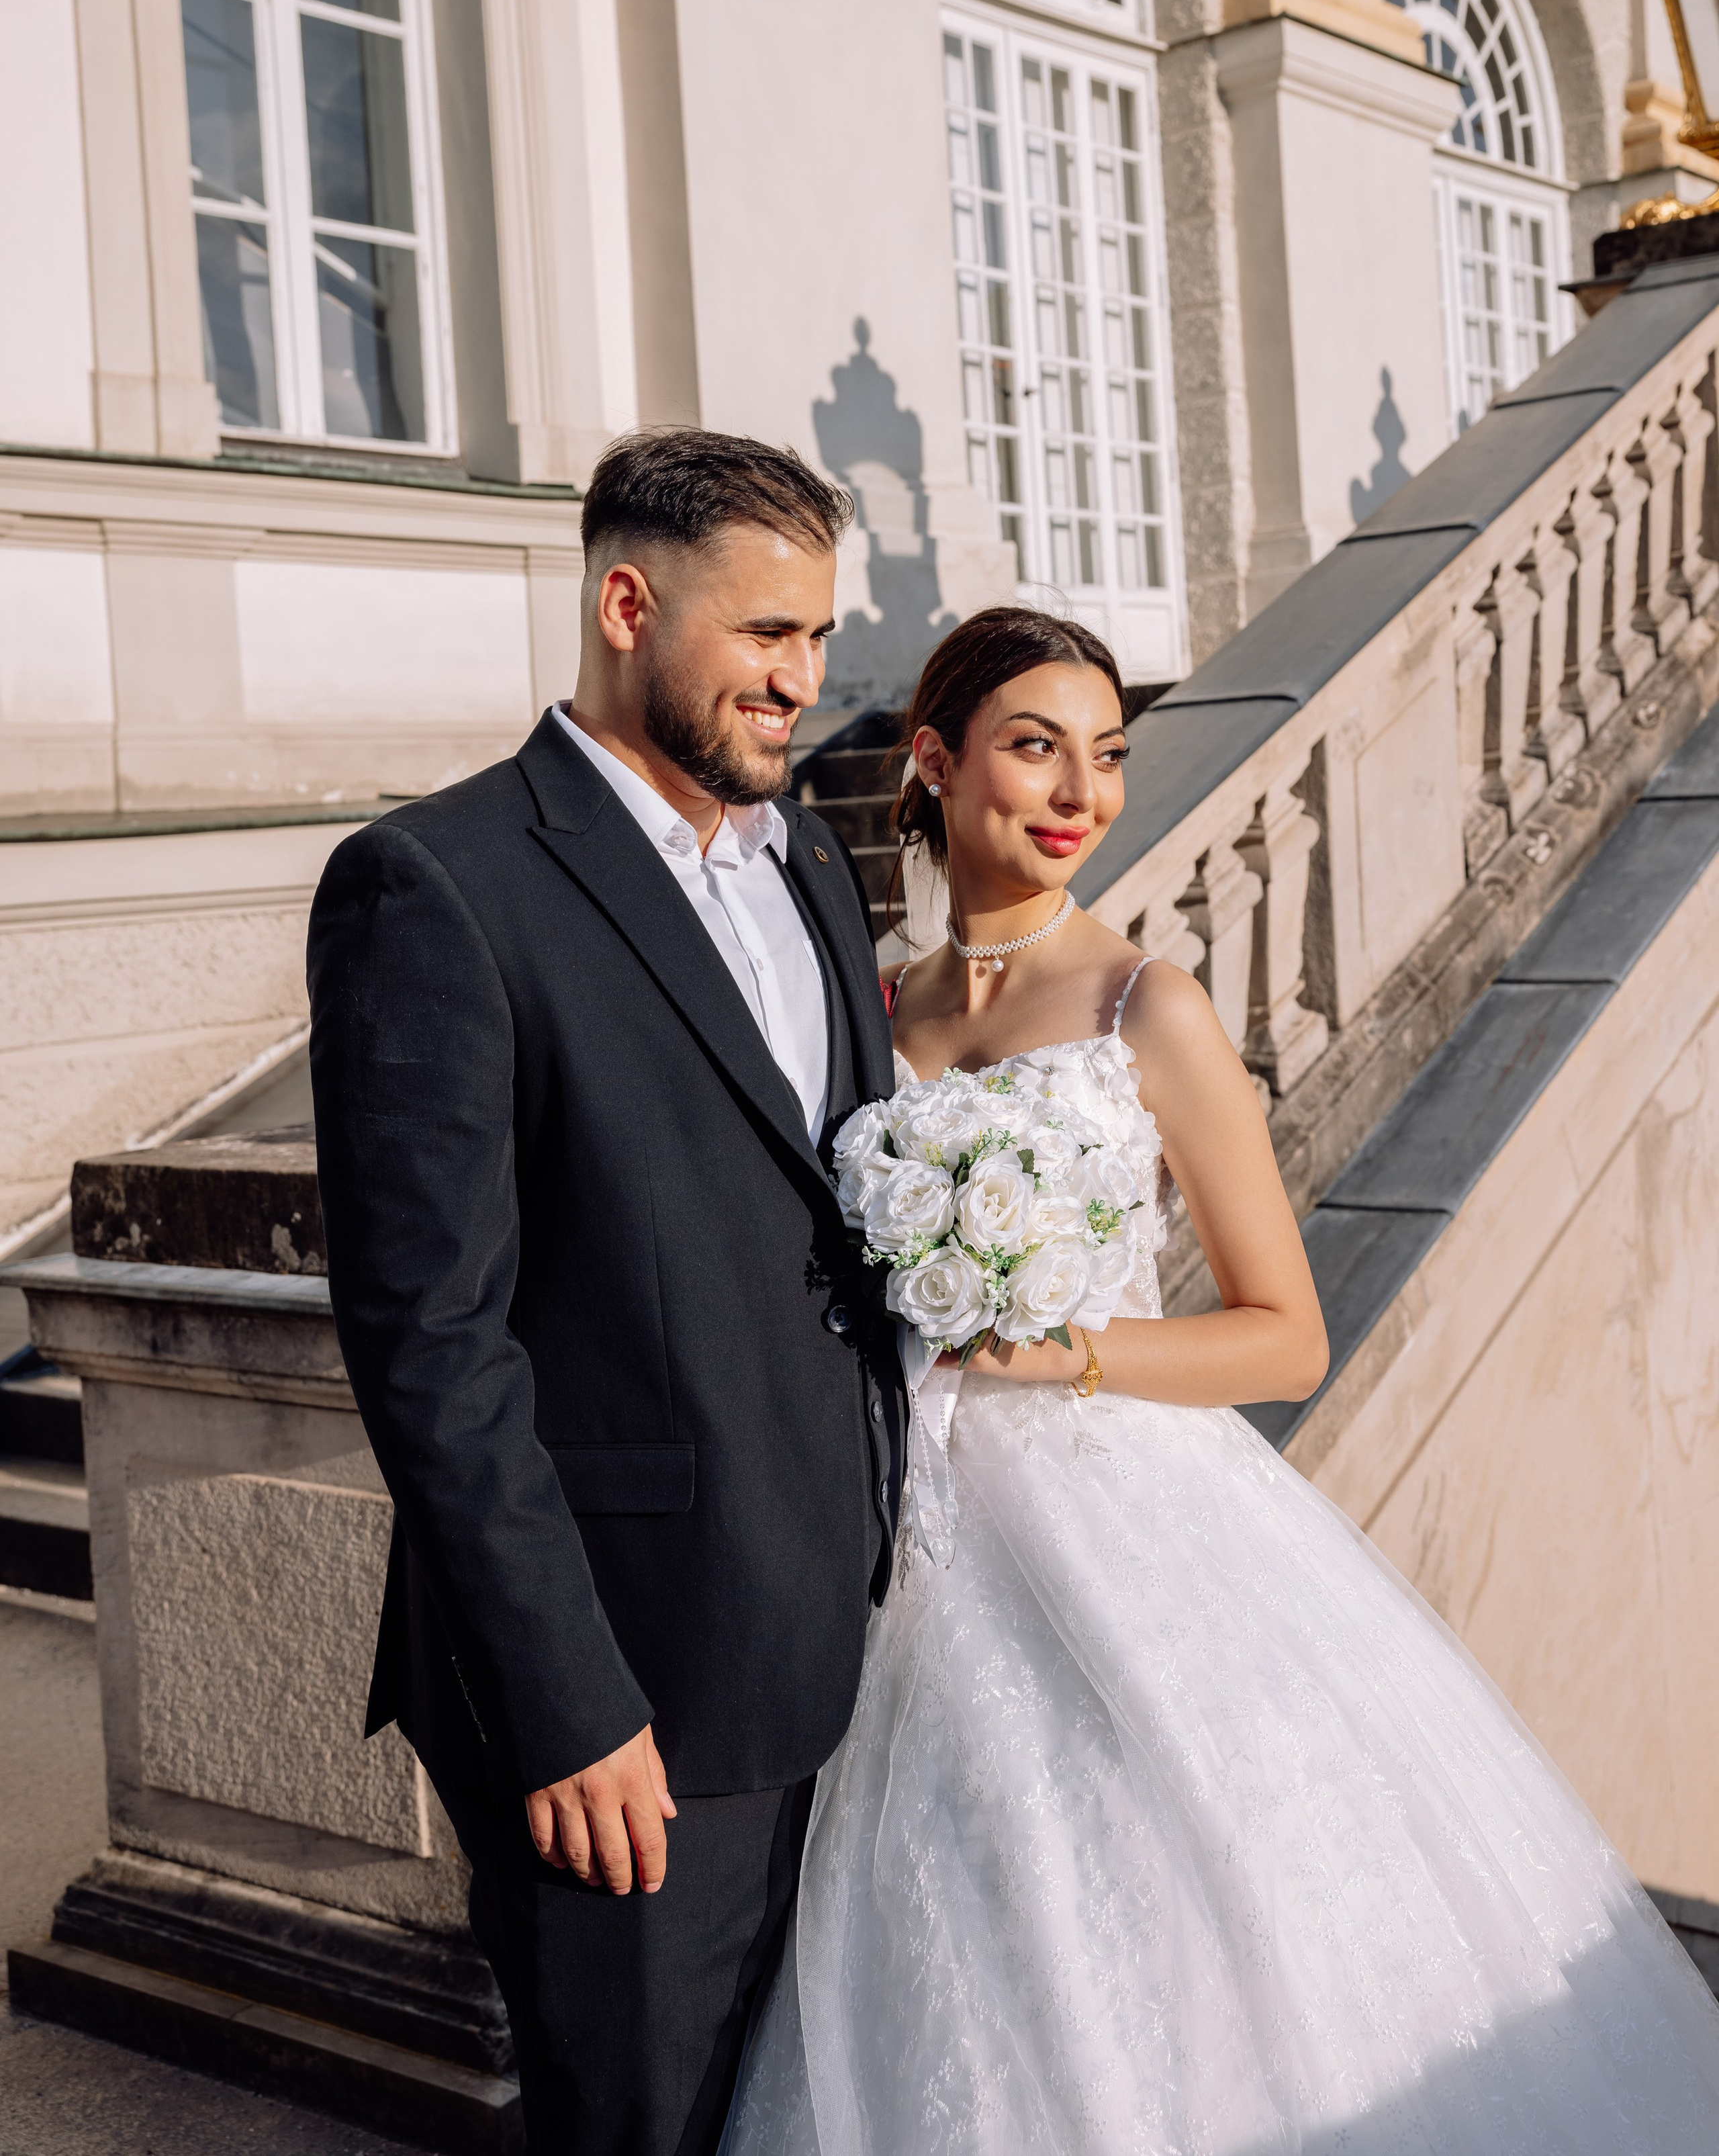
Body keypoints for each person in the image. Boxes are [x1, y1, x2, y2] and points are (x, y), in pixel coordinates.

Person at [725, 604, 1719, 2155]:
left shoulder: (1148, 1004)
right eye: (1034, 744)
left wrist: (1070, 1347)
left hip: (1117, 1514)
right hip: (903, 1527)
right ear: (931, 759)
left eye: (1105, 753)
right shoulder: (877, 1004)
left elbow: (1284, 1331)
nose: (1078, 791)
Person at [306, 430, 903, 2156]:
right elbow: (431, 1345)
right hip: (631, 1689)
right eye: (766, 635)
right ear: (626, 603)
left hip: (841, 1645)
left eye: (816, 639)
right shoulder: (437, 882)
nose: (802, 680)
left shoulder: (806, 861)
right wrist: (573, 1703)